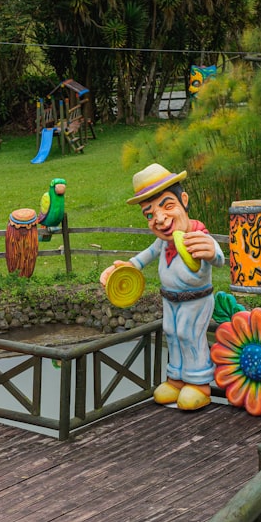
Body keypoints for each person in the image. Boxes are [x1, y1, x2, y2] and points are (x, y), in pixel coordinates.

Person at [100, 164, 224, 411]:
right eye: (149, 214)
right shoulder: (162, 242)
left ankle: (199, 384)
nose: (160, 218)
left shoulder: (198, 235)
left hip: (195, 300)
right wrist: (125, 268)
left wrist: (211, 252)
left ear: (184, 201)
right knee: (171, 333)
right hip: (169, 300)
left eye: (167, 206)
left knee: (189, 335)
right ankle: (176, 379)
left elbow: (218, 257)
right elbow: (143, 257)